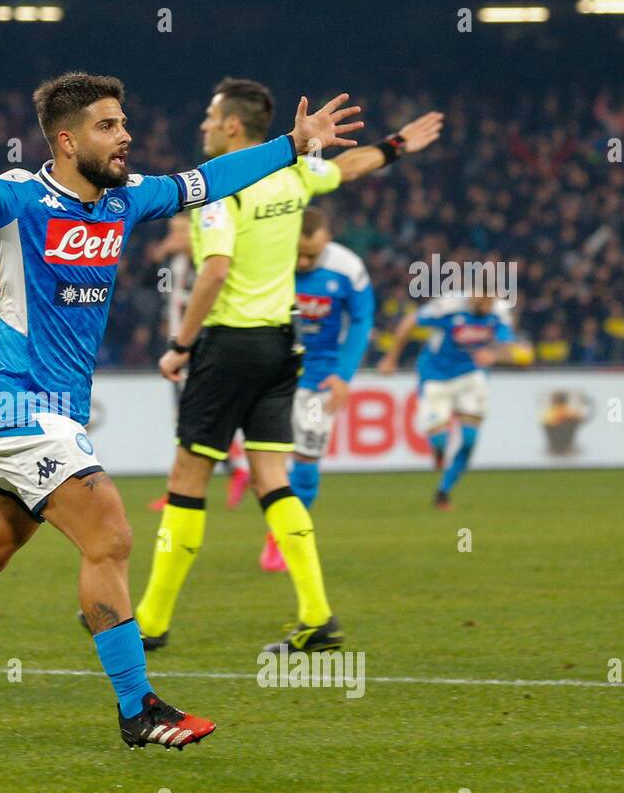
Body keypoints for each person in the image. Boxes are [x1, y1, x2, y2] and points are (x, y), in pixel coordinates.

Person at [0, 72, 361, 749]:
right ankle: (140, 710)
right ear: (68, 141)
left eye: (124, 123)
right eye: (109, 125)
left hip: (57, 413)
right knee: (111, 535)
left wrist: (291, 145)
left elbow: (209, 180)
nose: (126, 135)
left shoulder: (124, 200)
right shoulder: (19, 200)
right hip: (20, 406)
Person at [131, 77, 440, 653]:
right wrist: (397, 146)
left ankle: (149, 621)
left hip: (227, 346)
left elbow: (216, 270)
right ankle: (317, 617)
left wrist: (180, 344)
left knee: (186, 481)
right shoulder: (292, 173)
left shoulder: (219, 189)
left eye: (208, 115)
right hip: (280, 346)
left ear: (231, 126)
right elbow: (346, 170)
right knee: (273, 478)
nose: (201, 125)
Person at [258, 208, 375, 571]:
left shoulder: (348, 269)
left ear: (327, 240)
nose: (305, 261)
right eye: (299, 254)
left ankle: (280, 539)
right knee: (265, 459)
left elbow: (361, 320)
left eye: (313, 254)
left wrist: (344, 375)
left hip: (319, 380)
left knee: (306, 463)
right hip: (273, 374)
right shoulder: (268, 257)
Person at [379, 295, 532, 509]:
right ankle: (439, 452)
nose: (484, 304)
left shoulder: (500, 312)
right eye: (480, 298)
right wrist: (391, 357)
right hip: (436, 375)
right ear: (472, 293)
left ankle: (443, 491)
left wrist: (496, 354)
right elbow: (410, 321)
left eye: (489, 300)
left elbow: (506, 344)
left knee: (469, 440)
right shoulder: (448, 306)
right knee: (440, 440)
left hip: (471, 376)